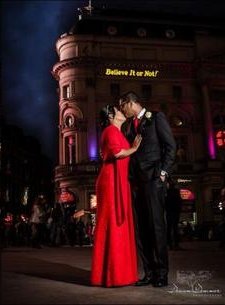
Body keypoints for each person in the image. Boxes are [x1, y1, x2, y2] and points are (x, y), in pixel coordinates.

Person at [119, 91, 176, 287]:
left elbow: (170, 146)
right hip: (135, 182)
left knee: (157, 227)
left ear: (130, 102)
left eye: (122, 106)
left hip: (153, 179)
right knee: (141, 229)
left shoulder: (156, 117)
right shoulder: (128, 126)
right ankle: (149, 272)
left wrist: (163, 173)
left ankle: (162, 274)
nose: (121, 110)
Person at [91, 105, 141, 287]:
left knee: (116, 225)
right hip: (111, 181)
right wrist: (134, 149)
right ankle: (113, 275)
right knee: (113, 225)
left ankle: (116, 274)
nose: (122, 112)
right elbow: (117, 153)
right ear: (111, 116)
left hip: (117, 181)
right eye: (119, 110)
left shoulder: (115, 131)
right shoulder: (110, 130)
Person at [165, 179, 182, 250]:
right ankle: (176, 244)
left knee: (169, 228)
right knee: (175, 228)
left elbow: (164, 202)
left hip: (169, 212)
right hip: (175, 212)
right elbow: (179, 201)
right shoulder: (176, 192)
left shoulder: (166, 192)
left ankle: (170, 245)